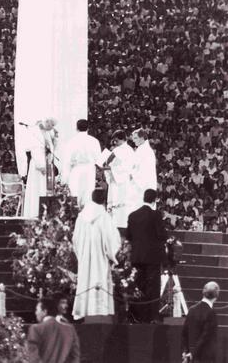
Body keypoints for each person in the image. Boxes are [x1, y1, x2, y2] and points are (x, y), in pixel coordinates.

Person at [72, 188, 121, 320]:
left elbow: (75, 240)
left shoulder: (81, 216)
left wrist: (81, 254)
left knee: (85, 280)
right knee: (99, 279)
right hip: (100, 259)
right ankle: (98, 312)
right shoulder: (104, 217)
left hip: (85, 258)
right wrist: (113, 255)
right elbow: (112, 240)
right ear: (103, 201)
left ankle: (83, 311)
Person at [126, 189, 168, 323]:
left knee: (138, 286)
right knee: (152, 287)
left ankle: (136, 316)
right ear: (155, 199)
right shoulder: (156, 215)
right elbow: (162, 235)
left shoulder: (133, 215)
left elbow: (128, 236)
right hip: (152, 258)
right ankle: (151, 317)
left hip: (137, 257)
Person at [23, 118, 58, 219]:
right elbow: (35, 150)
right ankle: (34, 212)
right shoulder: (35, 132)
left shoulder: (47, 133)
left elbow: (51, 149)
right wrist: (41, 166)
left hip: (46, 164)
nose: (52, 128)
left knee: (44, 189)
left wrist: (55, 138)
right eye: (51, 125)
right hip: (39, 166)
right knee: (37, 189)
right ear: (46, 122)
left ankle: (44, 212)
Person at [62, 119, 101, 208]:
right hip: (89, 169)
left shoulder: (72, 141)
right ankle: (87, 218)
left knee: (75, 193)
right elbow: (98, 159)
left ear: (76, 128)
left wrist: (65, 178)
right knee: (88, 194)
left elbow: (67, 160)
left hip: (77, 169)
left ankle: (74, 217)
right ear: (88, 128)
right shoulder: (94, 141)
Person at [27, 297, 80, 363]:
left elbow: (33, 358)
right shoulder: (70, 329)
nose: (36, 313)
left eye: (37, 310)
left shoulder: (36, 329)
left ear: (44, 311)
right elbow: (75, 357)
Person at [182, 281, 220, 363]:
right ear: (216, 295)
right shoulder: (211, 313)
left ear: (203, 292)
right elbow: (205, 336)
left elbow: (184, 333)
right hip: (205, 358)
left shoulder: (192, 309)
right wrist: (192, 353)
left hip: (191, 358)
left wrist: (186, 352)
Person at [104, 130, 134, 228]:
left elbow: (127, 166)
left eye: (116, 140)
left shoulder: (123, 150)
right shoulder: (126, 149)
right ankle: (114, 223)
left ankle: (120, 224)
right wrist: (108, 167)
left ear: (121, 139)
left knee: (121, 202)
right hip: (116, 178)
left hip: (121, 179)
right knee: (115, 202)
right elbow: (108, 162)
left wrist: (109, 168)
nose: (115, 143)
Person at [129, 128, 157, 213]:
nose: (133, 141)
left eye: (135, 138)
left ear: (142, 138)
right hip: (143, 184)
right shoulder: (142, 149)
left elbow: (138, 168)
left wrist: (131, 174)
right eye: (133, 138)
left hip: (143, 184)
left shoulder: (144, 151)